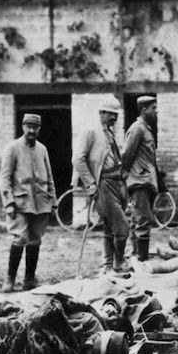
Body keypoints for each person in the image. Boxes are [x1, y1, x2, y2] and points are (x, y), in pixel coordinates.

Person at [0, 113, 56, 292]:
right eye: (28, 126)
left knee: (35, 239)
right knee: (20, 237)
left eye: (35, 127)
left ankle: (29, 279)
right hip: (20, 202)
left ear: (39, 129)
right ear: (23, 126)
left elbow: (49, 176)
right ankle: (10, 279)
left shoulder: (42, 149)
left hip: (41, 202)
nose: (31, 130)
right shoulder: (12, 148)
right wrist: (8, 202)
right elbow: (4, 178)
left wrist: (53, 200)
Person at [72, 97, 130, 274]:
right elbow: (77, 159)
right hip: (103, 184)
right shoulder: (91, 132)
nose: (114, 118)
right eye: (111, 114)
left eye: (116, 115)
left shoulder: (109, 133)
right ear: (101, 113)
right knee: (122, 228)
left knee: (109, 227)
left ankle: (107, 265)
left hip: (117, 183)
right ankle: (118, 264)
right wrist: (90, 185)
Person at [122, 95, 159, 262]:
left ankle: (136, 255)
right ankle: (141, 259)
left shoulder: (146, 128)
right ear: (144, 110)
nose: (156, 111)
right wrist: (124, 173)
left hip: (146, 180)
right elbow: (127, 153)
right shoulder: (137, 128)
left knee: (139, 218)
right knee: (143, 219)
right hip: (139, 181)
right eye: (153, 108)